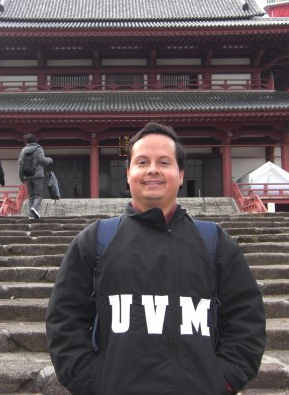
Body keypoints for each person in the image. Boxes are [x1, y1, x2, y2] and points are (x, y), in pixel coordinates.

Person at [46, 122, 266, 395]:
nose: (152, 169)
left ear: (181, 174)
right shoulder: (95, 241)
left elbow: (246, 316)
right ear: (128, 174)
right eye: (142, 162)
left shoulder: (214, 243)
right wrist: (94, 380)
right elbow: (64, 319)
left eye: (164, 161)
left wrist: (221, 380)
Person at [18, 133, 53, 220]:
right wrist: (50, 160)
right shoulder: (38, 149)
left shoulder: (23, 150)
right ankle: (35, 208)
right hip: (37, 176)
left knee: (31, 196)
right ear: (35, 140)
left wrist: (21, 176)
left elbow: (20, 164)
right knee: (39, 195)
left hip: (28, 176)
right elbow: (43, 161)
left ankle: (31, 215)